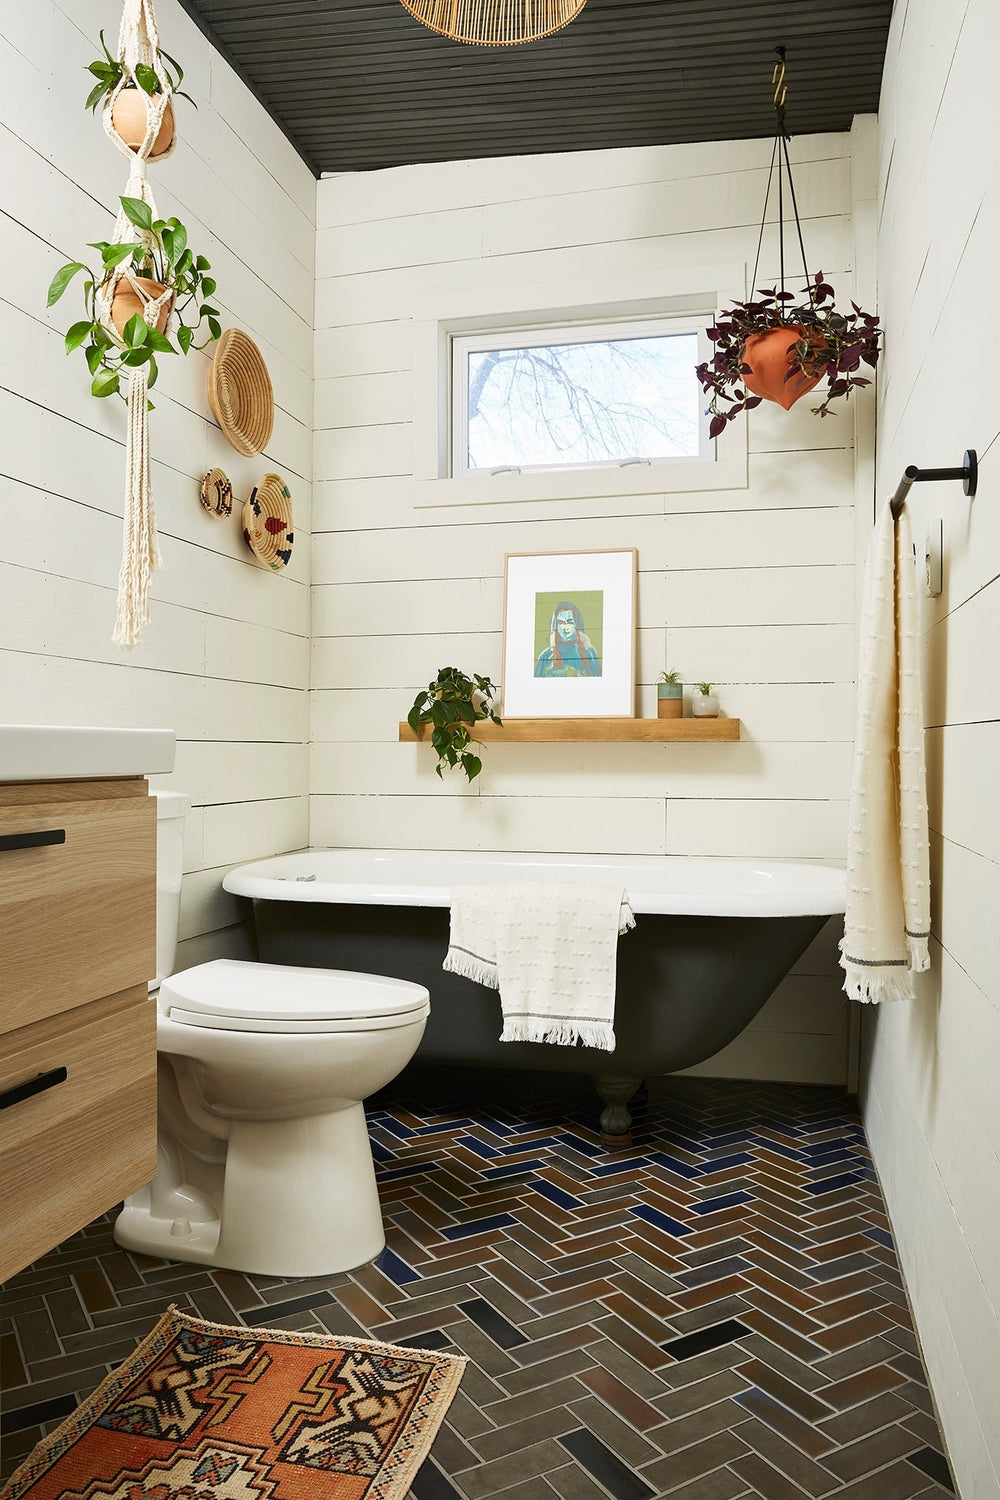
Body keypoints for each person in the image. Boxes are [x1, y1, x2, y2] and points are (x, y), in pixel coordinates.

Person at [535, 601, 602, 677]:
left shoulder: (587, 651)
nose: (565, 627)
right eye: (561, 623)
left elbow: (599, 676)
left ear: (576, 624)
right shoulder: (545, 655)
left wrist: (588, 647)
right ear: (555, 625)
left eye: (570, 623)